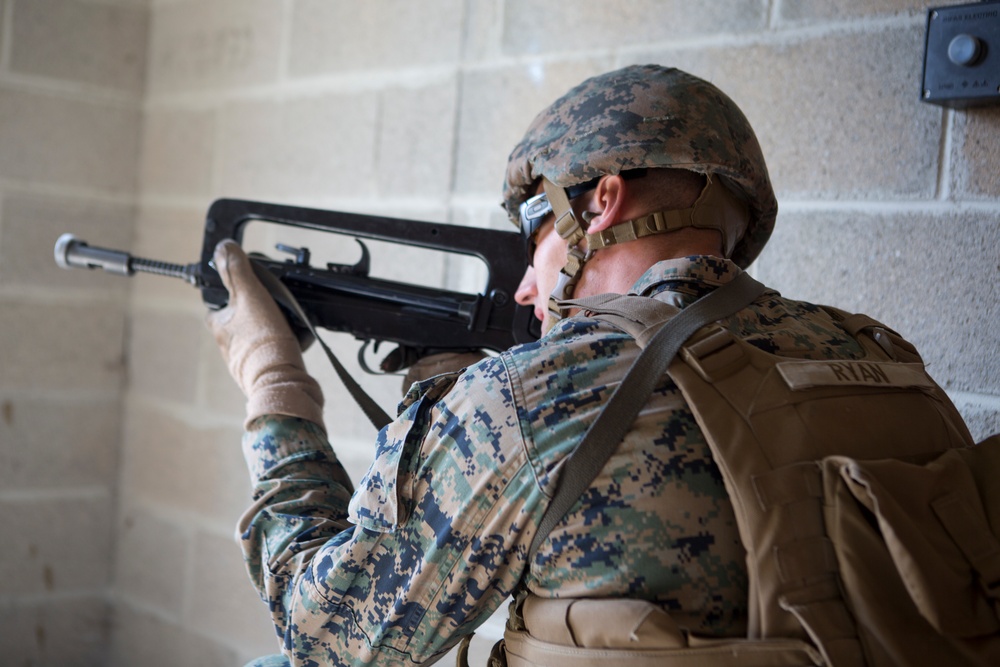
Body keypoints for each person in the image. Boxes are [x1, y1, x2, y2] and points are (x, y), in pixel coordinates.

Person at [206, 65, 957, 666]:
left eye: (535, 232)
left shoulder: (527, 400)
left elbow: (330, 636)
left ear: (600, 202)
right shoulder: (884, 355)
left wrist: (273, 381)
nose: (528, 284)